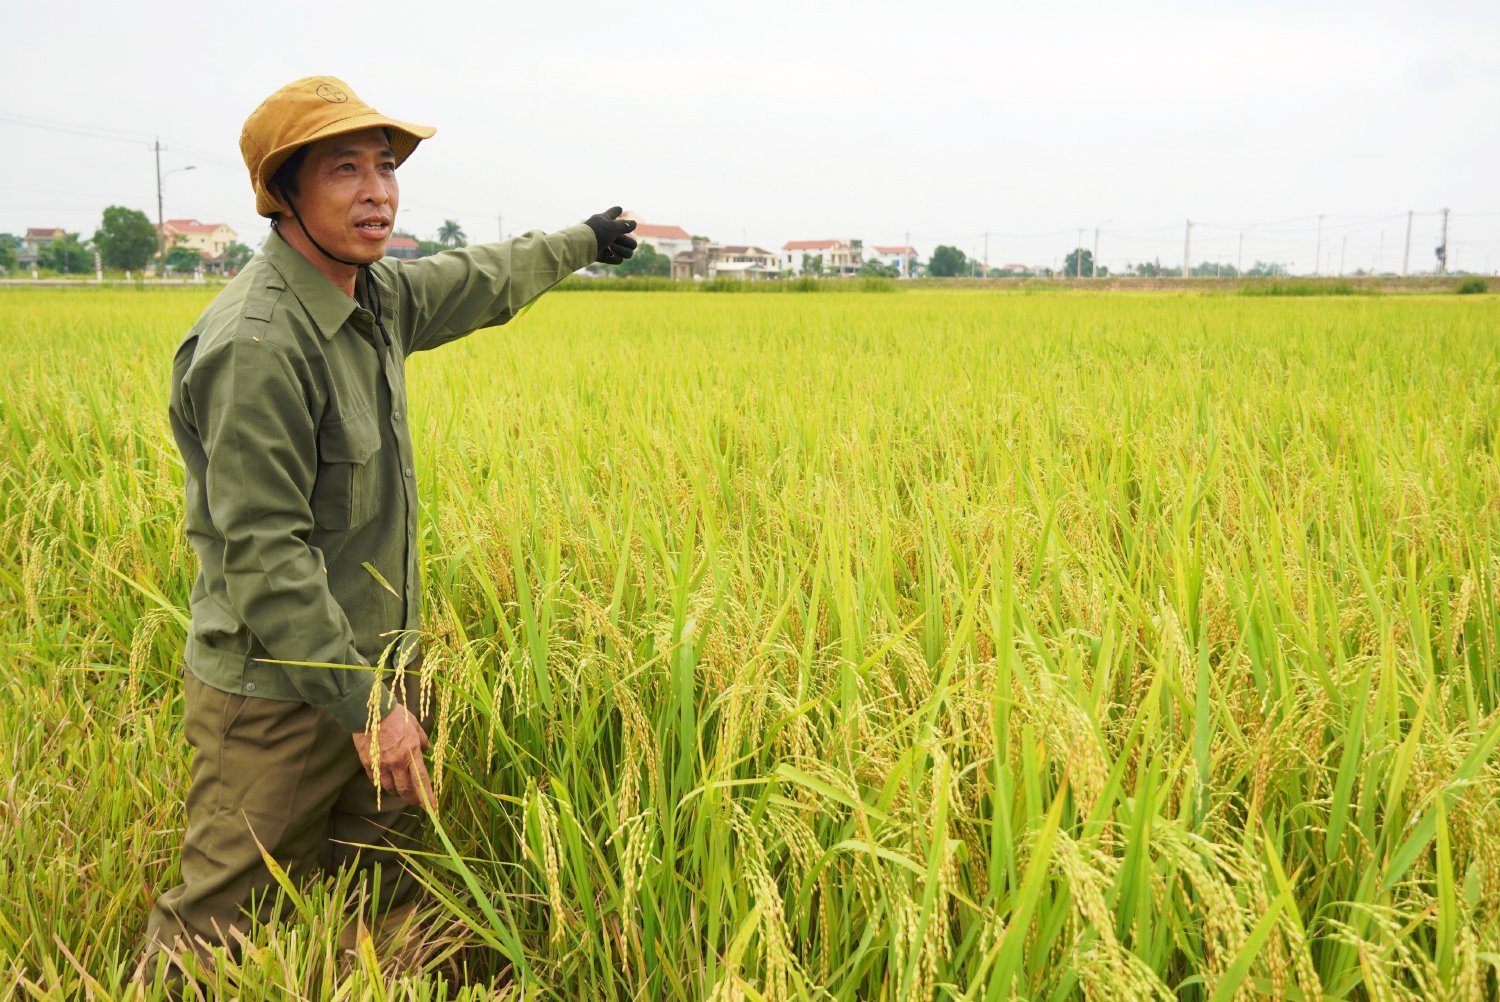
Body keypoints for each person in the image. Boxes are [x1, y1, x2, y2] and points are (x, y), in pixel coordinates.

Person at [140, 75, 636, 984]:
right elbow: (264, 557)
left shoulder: (374, 299)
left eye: (385, 167)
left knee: (368, 901)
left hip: (377, 672)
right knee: (217, 931)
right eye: (344, 169)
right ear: (283, 193)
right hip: (281, 695)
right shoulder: (259, 345)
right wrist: (367, 709)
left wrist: (582, 242)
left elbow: (478, 278)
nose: (377, 191)